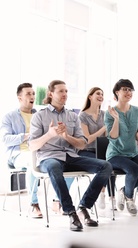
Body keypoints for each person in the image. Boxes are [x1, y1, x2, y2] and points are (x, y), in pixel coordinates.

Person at [28, 80, 112, 231]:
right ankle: (71, 212)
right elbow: (32, 146)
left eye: (66, 91)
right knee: (54, 166)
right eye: (61, 91)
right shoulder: (39, 116)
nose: (65, 94)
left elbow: (82, 144)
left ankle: (84, 207)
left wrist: (67, 137)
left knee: (105, 166)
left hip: (70, 156)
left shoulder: (73, 116)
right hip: (49, 157)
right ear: (50, 94)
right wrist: (49, 134)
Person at [104, 79, 138, 217]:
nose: (128, 92)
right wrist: (116, 120)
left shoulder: (137, 111)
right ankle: (130, 199)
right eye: (124, 89)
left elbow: (137, 137)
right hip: (115, 154)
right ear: (117, 93)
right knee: (133, 169)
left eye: (130, 90)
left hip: (132, 152)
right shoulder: (110, 112)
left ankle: (124, 191)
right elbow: (113, 137)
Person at [0, 83, 42, 218]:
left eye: (33, 93)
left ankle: (57, 202)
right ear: (19, 98)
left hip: (40, 152)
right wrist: (26, 136)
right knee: (32, 161)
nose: (32, 96)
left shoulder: (40, 115)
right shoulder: (9, 117)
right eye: (28, 94)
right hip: (17, 154)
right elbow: (5, 139)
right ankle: (33, 204)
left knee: (65, 159)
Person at [77, 87, 114, 210]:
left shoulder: (104, 114)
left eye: (102, 94)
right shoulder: (82, 116)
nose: (101, 96)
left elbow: (107, 136)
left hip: (101, 151)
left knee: (111, 161)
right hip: (86, 152)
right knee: (105, 163)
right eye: (98, 93)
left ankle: (110, 196)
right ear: (90, 96)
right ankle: (101, 193)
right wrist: (104, 128)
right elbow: (87, 139)